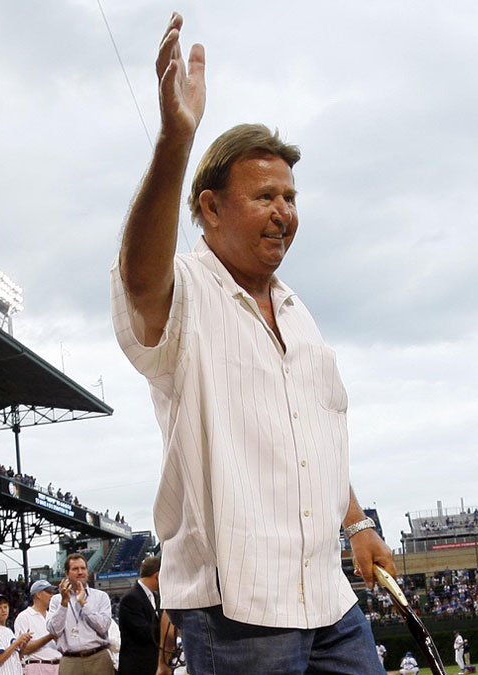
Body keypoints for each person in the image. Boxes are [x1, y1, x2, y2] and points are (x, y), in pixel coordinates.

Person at [111, 11, 392, 675]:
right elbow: (139, 278)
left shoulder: (300, 314)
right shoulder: (185, 291)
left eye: (291, 197)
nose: (285, 212)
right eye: (265, 195)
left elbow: (312, 435)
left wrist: (356, 523)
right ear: (209, 208)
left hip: (326, 595)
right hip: (237, 608)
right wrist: (175, 142)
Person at [46, 554, 113, 675]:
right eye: (75, 569)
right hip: (70, 660)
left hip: (98, 657)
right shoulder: (57, 600)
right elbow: (54, 631)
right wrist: (64, 603)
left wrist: (84, 604)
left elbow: (103, 627)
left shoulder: (101, 596)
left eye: (83, 568)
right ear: (67, 574)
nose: (80, 572)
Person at [117, 556, 161, 675]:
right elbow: (143, 633)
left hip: (154, 665)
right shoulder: (131, 598)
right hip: (138, 667)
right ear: (157, 576)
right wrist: (169, 628)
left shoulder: (156, 597)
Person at [14, 580, 62, 675]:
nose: (52, 595)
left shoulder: (53, 616)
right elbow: (25, 649)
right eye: (48, 592)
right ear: (38, 595)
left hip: (59, 665)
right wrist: (50, 636)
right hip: (37, 666)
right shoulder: (24, 616)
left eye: (52, 592)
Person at [0, 595, 31, 675]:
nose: (3, 610)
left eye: (5, 607)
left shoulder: (9, 631)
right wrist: (16, 642)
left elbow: (17, 658)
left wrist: (23, 645)